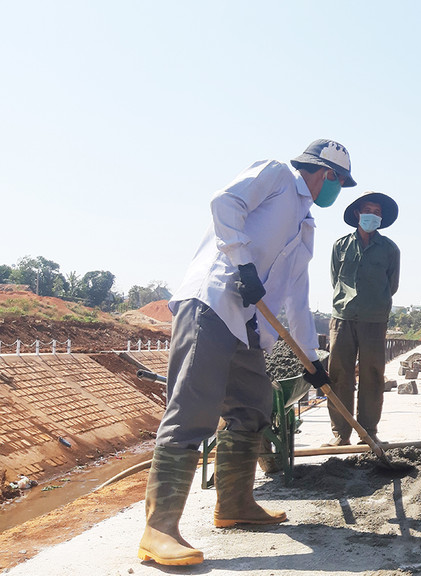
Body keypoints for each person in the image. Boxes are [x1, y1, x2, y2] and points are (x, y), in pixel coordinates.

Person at [138, 139, 355, 566]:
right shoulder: (276, 175)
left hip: (249, 323)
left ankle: (234, 504)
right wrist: (244, 264)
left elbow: (296, 296)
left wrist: (312, 359)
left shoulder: (305, 225)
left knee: (254, 405)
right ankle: (158, 529)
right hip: (214, 301)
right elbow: (225, 203)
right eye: (339, 181)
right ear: (326, 173)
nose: (337, 190)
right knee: (192, 408)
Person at [325, 191, 401, 446]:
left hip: (375, 319)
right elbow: (335, 279)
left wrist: (373, 302)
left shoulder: (390, 249)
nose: (372, 216)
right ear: (358, 214)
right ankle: (341, 433)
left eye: (377, 212)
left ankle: (368, 431)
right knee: (339, 374)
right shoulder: (340, 245)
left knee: (373, 374)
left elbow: (392, 285)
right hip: (342, 317)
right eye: (368, 210)